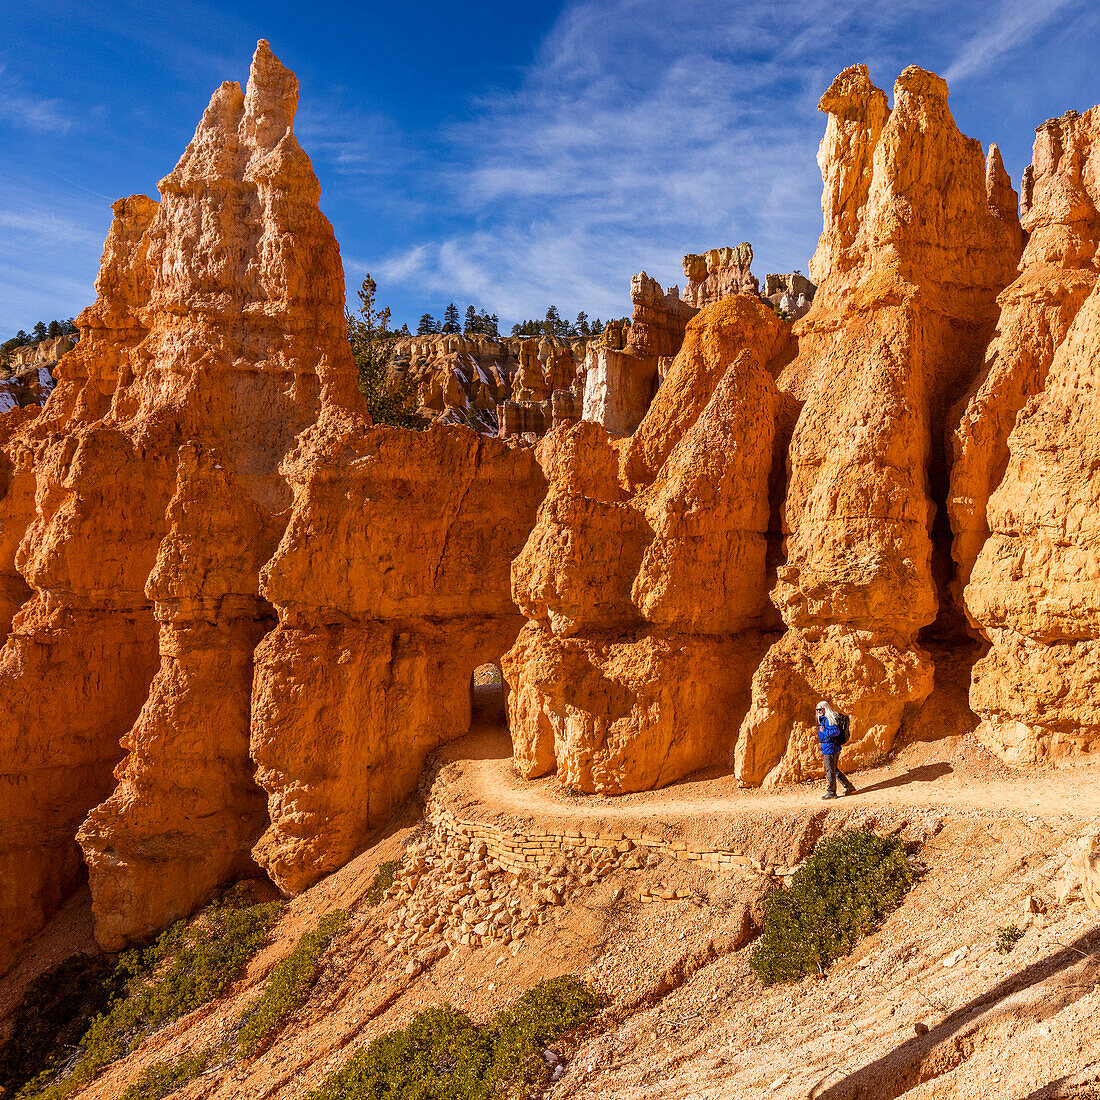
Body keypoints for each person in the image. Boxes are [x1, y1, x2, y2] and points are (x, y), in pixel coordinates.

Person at [816, 700, 855, 800]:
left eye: (820, 709)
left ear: (825, 708)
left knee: (830, 770)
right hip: (828, 747)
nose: (818, 711)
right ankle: (849, 787)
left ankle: (832, 792)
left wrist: (824, 730)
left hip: (830, 748)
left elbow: (835, 732)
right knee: (834, 770)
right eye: (817, 709)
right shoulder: (824, 719)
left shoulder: (829, 719)